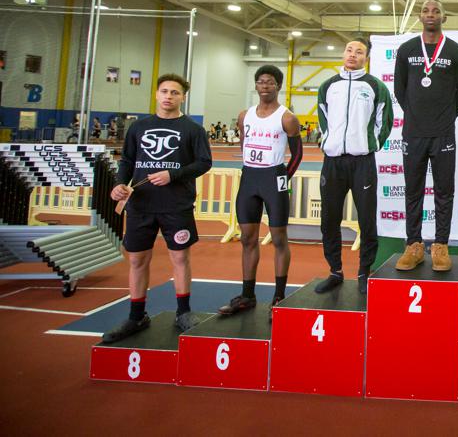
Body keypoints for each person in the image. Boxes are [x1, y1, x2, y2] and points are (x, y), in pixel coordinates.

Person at [102, 74, 213, 343]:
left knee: (180, 258)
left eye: (175, 92)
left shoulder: (193, 130)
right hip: (141, 204)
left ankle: (183, 312)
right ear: (156, 94)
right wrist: (119, 185)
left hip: (177, 205)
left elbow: (204, 163)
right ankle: (136, 315)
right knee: (138, 260)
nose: (168, 96)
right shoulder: (139, 127)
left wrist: (172, 176)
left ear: (183, 97)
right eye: (164, 91)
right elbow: (127, 161)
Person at [218, 66, 302, 318]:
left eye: (270, 82)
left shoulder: (287, 117)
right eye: (260, 82)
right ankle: (247, 295)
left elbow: (297, 155)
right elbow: (244, 143)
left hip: (273, 177)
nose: (265, 86)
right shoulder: (245, 116)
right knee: (247, 238)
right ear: (255, 85)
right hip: (250, 177)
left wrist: (281, 179)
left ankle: (278, 296)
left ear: (278, 86)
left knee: (278, 239)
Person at [393, 0, 458, 272]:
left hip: (443, 133)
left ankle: (440, 246)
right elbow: (400, 90)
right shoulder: (406, 50)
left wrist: (443, 117)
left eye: (435, 11)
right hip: (413, 133)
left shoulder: (457, 52)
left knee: (443, 192)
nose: (430, 15)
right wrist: (416, 115)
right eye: (426, 11)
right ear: (419, 16)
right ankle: (413, 246)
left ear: (444, 17)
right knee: (413, 192)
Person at [315, 38, 393, 295]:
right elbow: (323, 118)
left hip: (363, 162)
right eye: (349, 49)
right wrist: (329, 142)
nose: (352, 55)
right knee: (329, 220)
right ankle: (335, 271)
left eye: (359, 52)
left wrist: (371, 144)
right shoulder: (328, 86)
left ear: (366, 58)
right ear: (343, 53)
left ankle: (364, 272)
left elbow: (385, 121)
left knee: (367, 220)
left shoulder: (375, 86)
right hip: (333, 162)